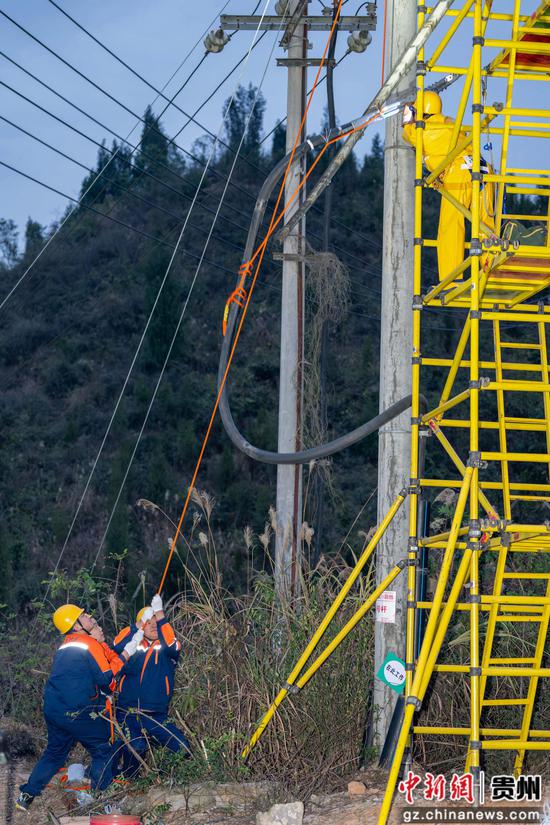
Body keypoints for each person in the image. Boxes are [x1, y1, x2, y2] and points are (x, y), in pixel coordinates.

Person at [16, 605, 142, 812]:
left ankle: (26, 795)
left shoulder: (66, 645)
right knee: (103, 750)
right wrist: (126, 654)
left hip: (55, 711)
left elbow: (96, 666)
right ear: (76, 625)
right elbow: (106, 680)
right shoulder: (88, 644)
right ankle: (103, 800)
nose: (90, 616)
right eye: (83, 615)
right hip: (79, 712)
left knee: (54, 754)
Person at [402, 90, 495, 281]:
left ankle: (452, 278)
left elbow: (407, 133)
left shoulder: (422, 129)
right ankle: (490, 269)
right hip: (483, 168)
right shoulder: (449, 123)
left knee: (451, 225)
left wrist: (409, 117)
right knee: (485, 223)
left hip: (460, 172)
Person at [113, 594, 190, 776]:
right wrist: (137, 627)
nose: (154, 625)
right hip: (128, 713)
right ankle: (130, 779)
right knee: (136, 747)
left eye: (157, 622)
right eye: (150, 622)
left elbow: (172, 644)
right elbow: (116, 645)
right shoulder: (130, 647)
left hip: (156, 716)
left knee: (182, 749)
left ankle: (161, 778)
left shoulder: (168, 648)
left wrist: (160, 613)